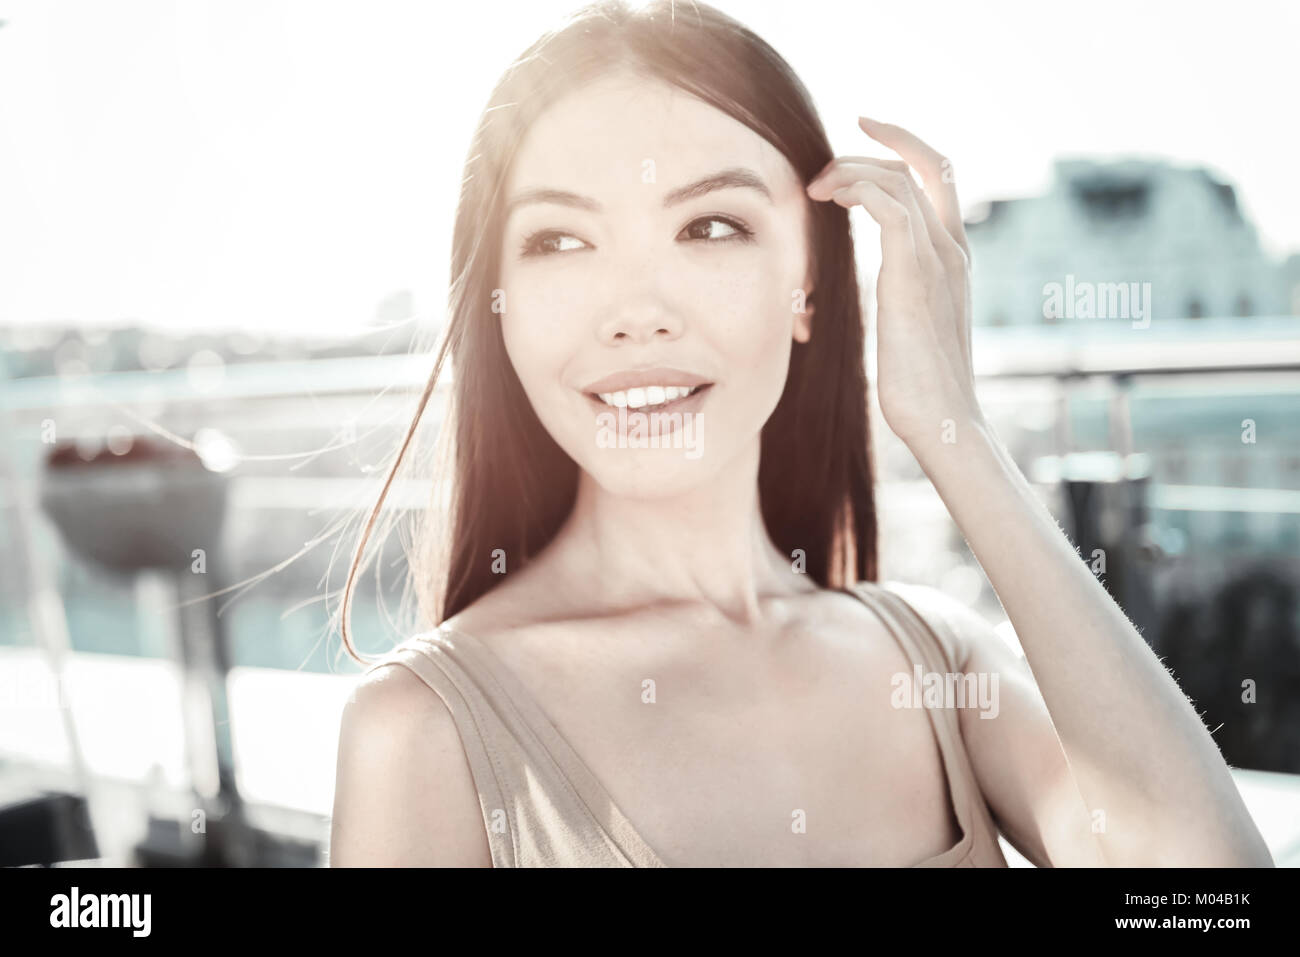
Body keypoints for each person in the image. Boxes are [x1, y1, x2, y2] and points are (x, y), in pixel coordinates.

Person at [328, 0, 1273, 867]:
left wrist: (956, 434)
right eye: (562, 240)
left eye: (709, 226)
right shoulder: (424, 733)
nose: (636, 313)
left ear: (810, 287)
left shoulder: (938, 662)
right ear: (500, 306)